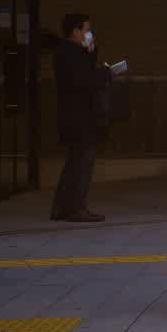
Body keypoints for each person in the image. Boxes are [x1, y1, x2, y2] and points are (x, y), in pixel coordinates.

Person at [52, 12, 108, 222]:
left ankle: (61, 207)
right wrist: (105, 74)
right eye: (87, 30)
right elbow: (86, 82)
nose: (90, 34)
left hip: (74, 117)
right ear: (75, 31)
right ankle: (75, 208)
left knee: (74, 163)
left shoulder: (69, 53)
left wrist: (91, 53)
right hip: (81, 118)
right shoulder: (71, 54)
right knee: (82, 164)